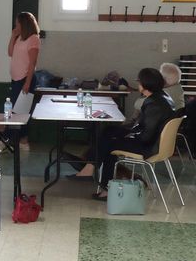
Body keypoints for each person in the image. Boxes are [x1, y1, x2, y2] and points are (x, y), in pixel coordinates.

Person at [73, 68, 173, 199]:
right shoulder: (163, 97)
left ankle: (104, 186)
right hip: (154, 141)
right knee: (108, 131)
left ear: (145, 84)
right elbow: (146, 127)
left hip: (149, 146)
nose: (138, 85)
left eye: (139, 82)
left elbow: (146, 136)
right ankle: (90, 166)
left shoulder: (154, 104)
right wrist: (125, 130)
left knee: (109, 144)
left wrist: (127, 134)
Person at [7, 11, 41, 150]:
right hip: (16, 79)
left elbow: (32, 63)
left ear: (24, 24)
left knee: (21, 112)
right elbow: (10, 53)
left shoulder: (33, 39)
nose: (16, 25)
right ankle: (15, 140)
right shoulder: (20, 37)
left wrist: (27, 83)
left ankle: (23, 141)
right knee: (15, 112)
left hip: (26, 80)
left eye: (18, 23)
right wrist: (13, 36)